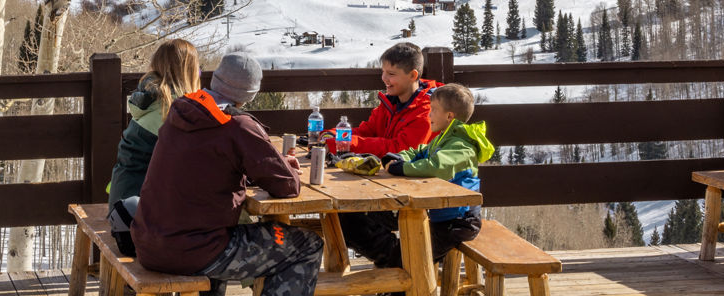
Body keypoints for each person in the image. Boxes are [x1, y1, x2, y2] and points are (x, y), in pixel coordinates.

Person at [131, 52, 324, 296]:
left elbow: (211, 162)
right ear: (251, 94)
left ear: (216, 79)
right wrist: (284, 167)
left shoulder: (181, 109)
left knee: (220, 237)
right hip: (196, 249)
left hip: (148, 242)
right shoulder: (238, 125)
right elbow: (287, 186)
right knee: (306, 246)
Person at [340, 83, 494, 270]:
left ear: (449, 116)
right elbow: (419, 152)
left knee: (409, 261)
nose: (429, 114)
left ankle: (393, 265)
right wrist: (399, 157)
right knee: (361, 221)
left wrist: (403, 168)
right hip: (440, 216)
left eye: (433, 110)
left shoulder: (461, 146)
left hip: (457, 223)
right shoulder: (443, 138)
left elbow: (437, 167)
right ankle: (390, 260)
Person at [108, 39, 200, 209]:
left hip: (123, 205)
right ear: (190, 71)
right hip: (140, 217)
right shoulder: (175, 110)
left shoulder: (153, 100)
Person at [322, 42, 439, 157]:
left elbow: (400, 149)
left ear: (412, 76)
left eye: (391, 74)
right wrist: (334, 135)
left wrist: (347, 144)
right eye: (383, 72)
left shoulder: (428, 112)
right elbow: (368, 131)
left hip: (415, 175)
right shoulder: (390, 102)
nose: (384, 78)